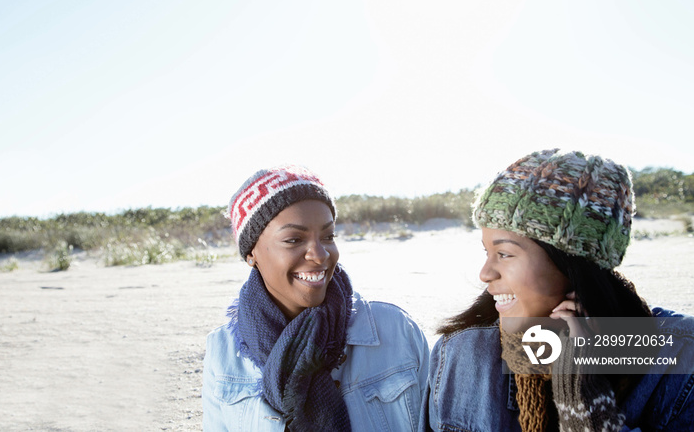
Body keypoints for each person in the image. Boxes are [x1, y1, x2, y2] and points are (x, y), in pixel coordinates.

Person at [421, 148, 694, 431]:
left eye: (504, 254)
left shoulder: (679, 360)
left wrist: (584, 406)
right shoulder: (459, 353)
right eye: (486, 252)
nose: (485, 273)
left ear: (573, 264)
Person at [203, 165, 429, 431]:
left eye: (328, 236)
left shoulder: (395, 330)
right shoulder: (223, 350)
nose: (320, 255)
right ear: (252, 252)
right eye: (293, 239)